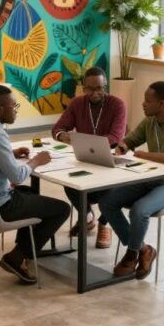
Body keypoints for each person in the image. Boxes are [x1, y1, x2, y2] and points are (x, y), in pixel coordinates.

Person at [0, 85, 70, 284]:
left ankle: (24, 249)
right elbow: (17, 176)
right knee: (61, 209)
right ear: (0, 108)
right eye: (14, 105)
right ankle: (17, 257)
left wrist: (10, 154)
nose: (16, 110)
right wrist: (37, 161)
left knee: (29, 193)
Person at [99, 81, 164, 279]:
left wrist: (142, 155)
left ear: (161, 104)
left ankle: (131, 254)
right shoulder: (150, 121)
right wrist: (123, 147)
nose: (143, 104)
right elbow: (130, 140)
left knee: (140, 210)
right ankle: (143, 249)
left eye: (147, 101)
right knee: (107, 202)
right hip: (151, 177)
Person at [50, 66, 127, 249]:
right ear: (83, 88)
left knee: (112, 192)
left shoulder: (117, 104)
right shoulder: (77, 103)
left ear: (105, 85)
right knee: (69, 182)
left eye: (99, 88)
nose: (95, 93)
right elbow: (57, 129)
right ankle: (88, 217)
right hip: (85, 158)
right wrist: (64, 136)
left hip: (111, 159)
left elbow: (116, 136)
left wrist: (92, 144)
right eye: (90, 89)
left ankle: (103, 225)